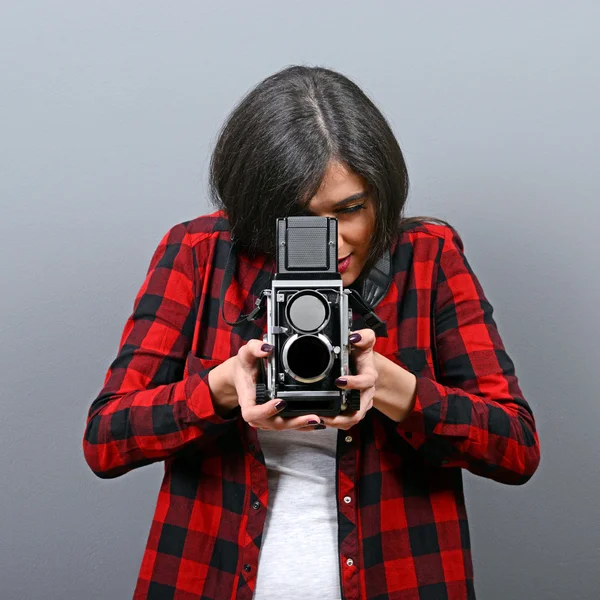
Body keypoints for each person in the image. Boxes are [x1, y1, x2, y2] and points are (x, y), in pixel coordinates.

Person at [83, 65, 540, 600]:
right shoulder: (200, 253)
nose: (334, 238)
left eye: (351, 210)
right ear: (257, 209)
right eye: (298, 219)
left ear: (382, 194)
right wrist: (221, 389)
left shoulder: (427, 257)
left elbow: (516, 449)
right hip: (212, 579)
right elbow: (105, 442)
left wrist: (392, 387)